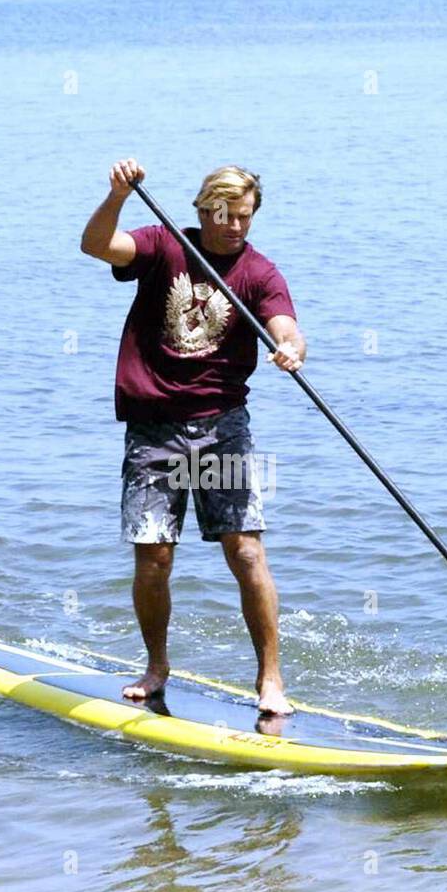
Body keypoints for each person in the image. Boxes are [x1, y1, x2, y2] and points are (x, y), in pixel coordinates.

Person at [80, 160, 306, 716]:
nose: (235, 226)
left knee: (246, 552)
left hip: (220, 428)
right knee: (154, 556)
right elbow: (96, 245)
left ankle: (271, 680)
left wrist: (292, 348)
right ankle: (157, 667)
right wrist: (117, 196)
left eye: (245, 217)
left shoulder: (259, 272)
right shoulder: (162, 247)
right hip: (154, 430)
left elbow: (284, 322)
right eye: (225, 215)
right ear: (205, 210)